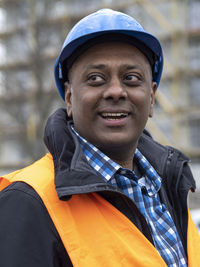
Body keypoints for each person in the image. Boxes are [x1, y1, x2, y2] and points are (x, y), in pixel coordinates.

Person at [0, 8, 199, 267]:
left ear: (151, 98)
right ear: (70, 98)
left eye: (131, 78)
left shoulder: (170, 185)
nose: (116, 91)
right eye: (95, 78)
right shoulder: (26, 203)